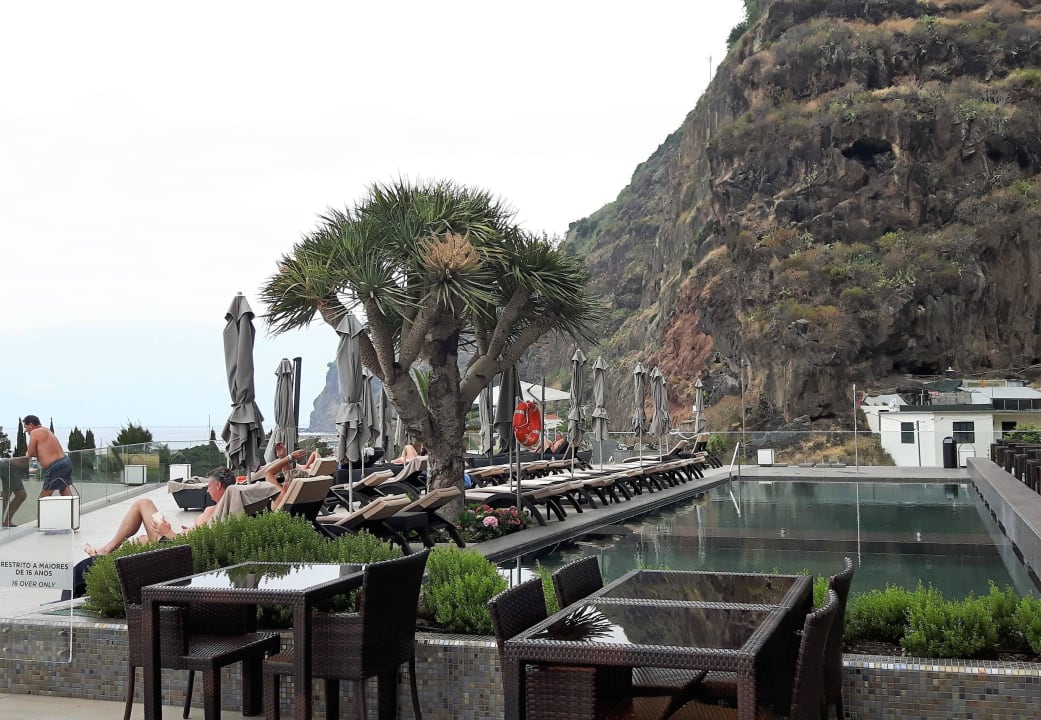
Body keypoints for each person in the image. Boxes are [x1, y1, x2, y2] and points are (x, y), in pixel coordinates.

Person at [83, 467, 235, 556]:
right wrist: (188, 529)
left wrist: (167, 532)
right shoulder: (218, 509)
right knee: (140, 541)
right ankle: (108, 556)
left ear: (218, 486)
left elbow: (198, 547)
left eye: (209, 486)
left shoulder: (217, 512)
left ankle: (106, 550)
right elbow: (200, 534)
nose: (207, 491)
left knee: (143, 503)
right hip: (176, 539)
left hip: (175, 547)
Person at [20, 415, 73, 498]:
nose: (26, 431)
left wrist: (28, 453)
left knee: (43, 498)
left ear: (30, 425)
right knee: (64, 490)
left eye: (26, 427)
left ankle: (42, 508)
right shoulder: (46, 430)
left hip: (56, 466)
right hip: (65, 462)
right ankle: (72, 506)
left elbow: (30, 453)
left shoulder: (35, 432)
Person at [1, 458, 27, 527]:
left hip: (9, 466)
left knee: (6, 493)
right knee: (21, 495)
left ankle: (6, 521)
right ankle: (6, 521)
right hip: (11, 467)